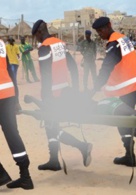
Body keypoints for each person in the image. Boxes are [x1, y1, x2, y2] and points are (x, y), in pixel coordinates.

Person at [31, 19, 92, 171]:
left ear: (39, 32)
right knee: (51, 126)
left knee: (52, 126)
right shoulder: (59, 44)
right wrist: (76, 90)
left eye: (35, 37)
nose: (36, 40)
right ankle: (53, 160)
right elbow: (72, 67)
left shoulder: (45, 48)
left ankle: (82, 146)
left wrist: (46, 99)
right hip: (65, 91)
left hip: (52, 95)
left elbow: (46, 76)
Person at [92, 16, 136, 167]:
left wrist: (93, 89)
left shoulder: (114, 43)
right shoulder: (123, 39)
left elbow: (106, 67)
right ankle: (129, 155)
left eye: (101, 30)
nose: (100, 34)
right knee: (124, 121)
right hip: (135, 86)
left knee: (125, 120)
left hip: (128, 89)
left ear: (109, 25)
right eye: (98, 32)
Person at [0, 38, 34, 189]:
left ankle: (1, 176)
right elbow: (9, 69)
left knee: (12, 133)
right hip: (8, 93)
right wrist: (16, 98)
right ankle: (25, 177)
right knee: (12, 133)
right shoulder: (1, 44)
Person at [6, 37, 22, 114]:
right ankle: (14, 83)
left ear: (8, 41)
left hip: (10, 63)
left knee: (12, 77)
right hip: (15, 63)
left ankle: (13, 83)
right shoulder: (16, 46)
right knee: (14, 76)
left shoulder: (6, 46)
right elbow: (18, 54)